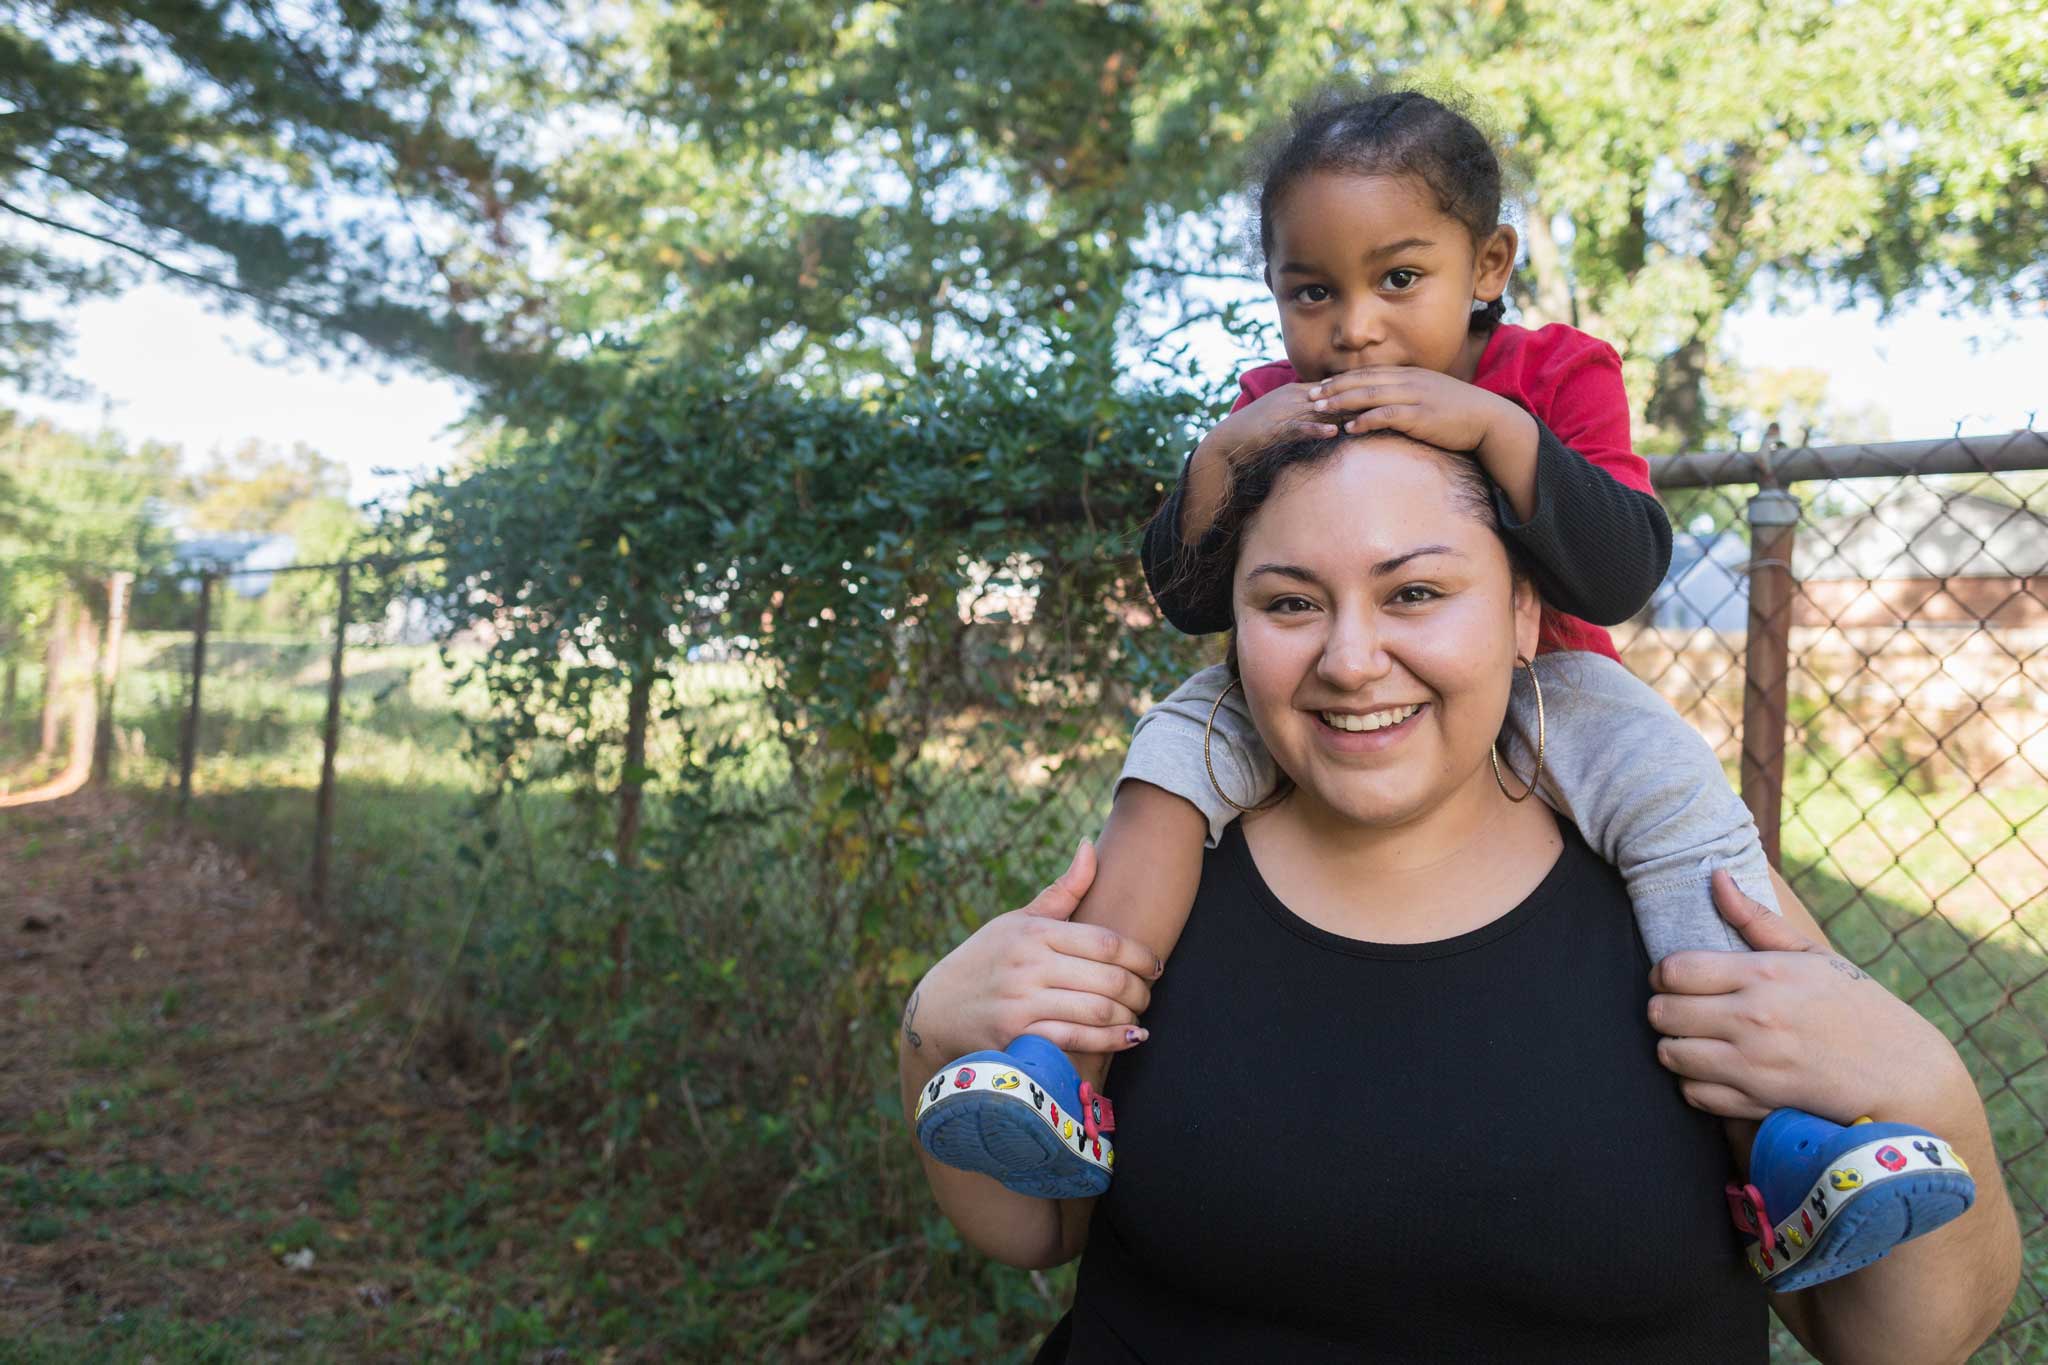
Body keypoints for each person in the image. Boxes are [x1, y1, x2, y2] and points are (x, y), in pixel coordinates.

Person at [909, 85, 1973, 1287]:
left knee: (1687, 835)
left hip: (1559, 684)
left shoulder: (1553, 372)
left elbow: (1621, 567)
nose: (1352, 327)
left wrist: (1493, 431)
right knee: (1163, 763)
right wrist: (1220, 461)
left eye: (1396, 279)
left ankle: (1781, 1152)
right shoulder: (1271, 406)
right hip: (1290, 684)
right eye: (1311, 291)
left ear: (1487, 263)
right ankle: (1061, 1073)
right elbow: (1196, 598)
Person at [899, 432, 2019, 1362]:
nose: (1349, 658)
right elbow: (1031, 1226)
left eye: (1416, 592)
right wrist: (930, 1033)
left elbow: (1891, 1340)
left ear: (1523, 613)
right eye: (1288, 603)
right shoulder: (1163, 876)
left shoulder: (1679, 895)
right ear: (1233, 628)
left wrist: (1929, 1091)